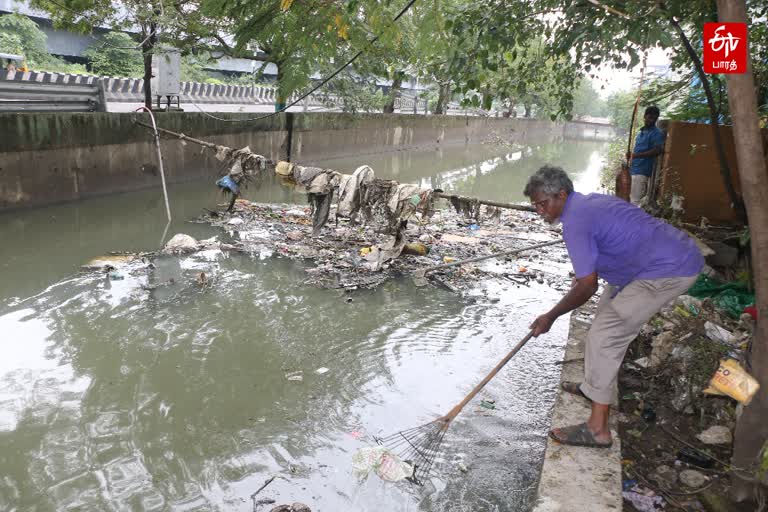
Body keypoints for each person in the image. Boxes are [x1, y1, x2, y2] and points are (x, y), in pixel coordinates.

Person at [524, 166, 703, 448]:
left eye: (543, 204)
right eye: (535, 205)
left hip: (668, 269)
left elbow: (586, 286)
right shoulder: (588, 202)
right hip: (652, 262)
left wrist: (550, 316)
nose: (539, 211)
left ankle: (597, 430)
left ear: (561, 194)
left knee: (605, 335)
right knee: (603, 318)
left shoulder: (575, 222)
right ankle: (592, 388)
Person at [626, 105, 665, 205]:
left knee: (635, 200)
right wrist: (630, 156)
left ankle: (632, 220)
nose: (651, 120)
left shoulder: (656, 133)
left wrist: (635, 155)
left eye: (654, 119)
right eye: (650, 117)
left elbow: (657, 150)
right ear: (645, 116)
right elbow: (637, 151)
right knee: (627, 197)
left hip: (642, 170)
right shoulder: (641, 132)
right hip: (633, 168)